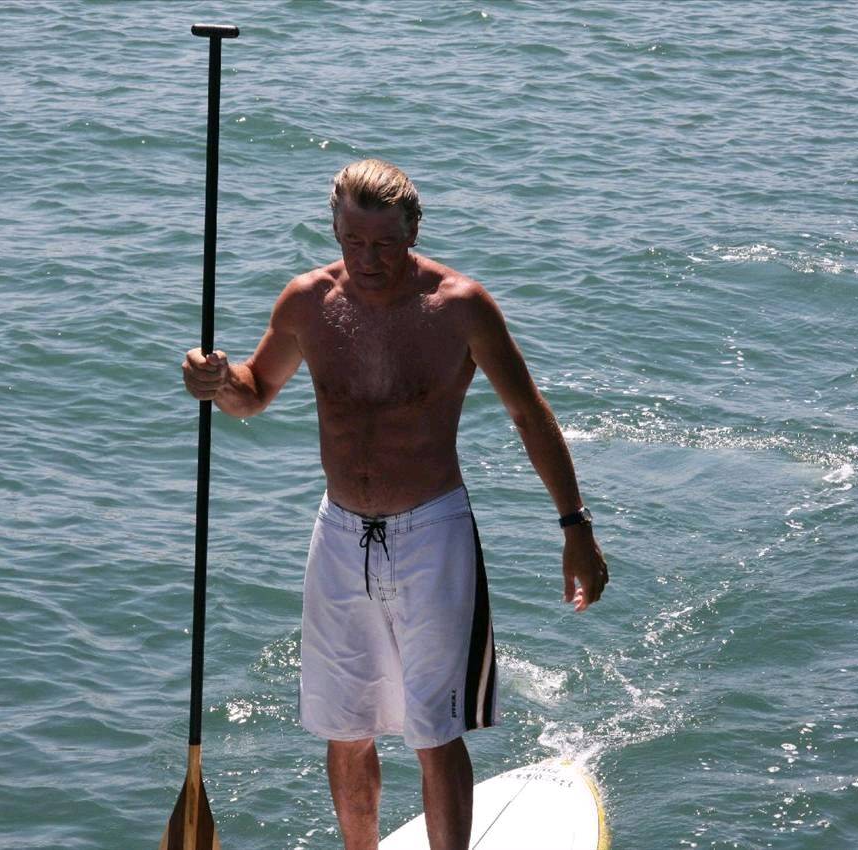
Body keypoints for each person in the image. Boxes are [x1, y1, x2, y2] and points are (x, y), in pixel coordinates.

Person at [181, 159, 608, 850]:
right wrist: (216, 380)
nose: (368, 259)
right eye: (353, 241)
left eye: (383, 243)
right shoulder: (306, 302)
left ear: (413, 232)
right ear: (334, 230)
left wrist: (575, 527)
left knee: (434, 730)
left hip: (432, 535)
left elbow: (530, 415)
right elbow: (253, 393)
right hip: (339, 533)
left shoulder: (460, 307)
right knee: (345, 728)